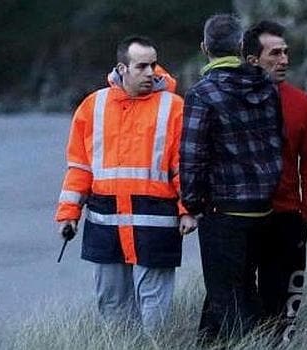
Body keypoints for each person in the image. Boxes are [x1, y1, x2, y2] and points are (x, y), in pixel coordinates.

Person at [54, 35, 196, 335]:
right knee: (113, 306)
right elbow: (79, 167)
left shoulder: (173, 107)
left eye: (153, 65)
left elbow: (184, 167)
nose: (151, 73)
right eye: (142, 66)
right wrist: (69, 214)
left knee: (156, 311)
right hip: (106, 225)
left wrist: (187, 210)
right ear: (122, 68)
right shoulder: (93, 106)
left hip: (155, 223)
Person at [180, 14, 283, 344]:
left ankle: (249, 343)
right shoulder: (267, 86)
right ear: (241, 46)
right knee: (238, 288)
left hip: (223, 211)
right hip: (264, 208)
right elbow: (277, 141)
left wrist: (192, 204)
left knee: (227, 296)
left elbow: (192, 157)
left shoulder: (202, 94)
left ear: (204, 48)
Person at [242, 20, 307, 341]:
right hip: (242, 216)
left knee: (284, 305)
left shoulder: (301, 103)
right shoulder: (233, 99)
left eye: (286, 53)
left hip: (287, 217)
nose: (284, 60)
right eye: (275, 54)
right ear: (253, 59)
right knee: (244, 299)